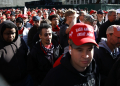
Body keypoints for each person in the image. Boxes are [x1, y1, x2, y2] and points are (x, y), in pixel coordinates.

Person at [0, 20, 33, 86]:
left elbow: (27, 54)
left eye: (13, 33)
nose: (10, 36)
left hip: (26, 79)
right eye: (7, 33)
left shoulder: (20, 40)